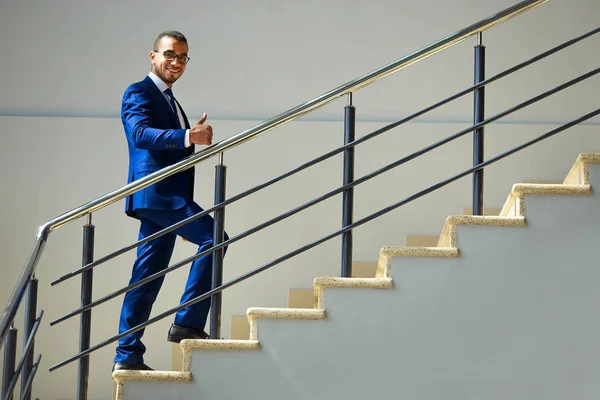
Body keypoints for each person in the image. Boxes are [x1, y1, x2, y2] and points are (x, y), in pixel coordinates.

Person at [113, 30, 227, 372]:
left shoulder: (170, 100)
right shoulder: (139, 92)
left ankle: (127, 356)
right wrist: (187, 135)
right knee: (214, 238)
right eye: (169, 55)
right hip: (159, 195)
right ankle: (187, 322)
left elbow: (170, 147)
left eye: (182, 57)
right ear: (152, 56)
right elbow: (139, 134)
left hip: (164, 198)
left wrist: (189, 140)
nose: (175, 62)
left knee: (146, 276)